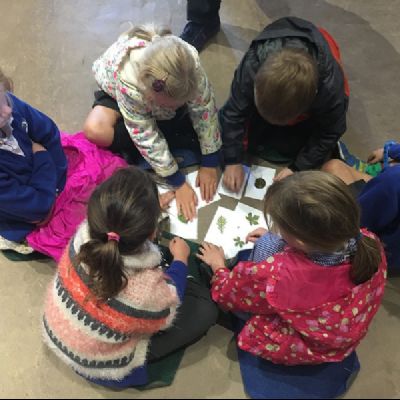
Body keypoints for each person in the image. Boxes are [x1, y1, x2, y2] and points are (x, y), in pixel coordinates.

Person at [42, 167, 218, 388]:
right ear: (152, 232)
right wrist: (181, 260)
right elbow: (167, 308)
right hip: (100, 364)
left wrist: (143, 215)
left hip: (61, 332)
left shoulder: (83, 236)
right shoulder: (144, 292)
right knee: (205, 309)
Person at [197, 172, 386, 374]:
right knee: (269, 242)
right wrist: (283, 239)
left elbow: (230, 294)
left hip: (307, 344)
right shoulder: (368, 241)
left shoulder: (277, 274)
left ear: (301, 241)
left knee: (265, 246)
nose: (276, 229)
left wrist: (218, 265)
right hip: (339, 334)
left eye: (279, 226)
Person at [84, 24, 221, 221]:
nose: (172, 109)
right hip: (118, 92)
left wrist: (210, 160)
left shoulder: (190, 69)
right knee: (97, 130)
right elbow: (144, 133)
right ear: (150, 96)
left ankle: (167, 120)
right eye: (167, 106)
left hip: (157, 95)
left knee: (188, 122)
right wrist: (177, 181)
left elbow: (204, 108)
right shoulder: (130, 83)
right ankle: (149, 130)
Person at [219, 17, 350, 192]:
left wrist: (297, 168)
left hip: (324, 57)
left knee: (294, 149)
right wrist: (232, 160)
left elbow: (330, 131)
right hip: (280, 45)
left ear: (303, 112)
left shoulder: (330, 90)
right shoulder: (252, 66)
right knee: (235, 133)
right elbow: (234, 112)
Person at [0, 68, 67, 252]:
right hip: (17, 211)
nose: (7, 111)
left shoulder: (11, 107)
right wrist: (43, 156)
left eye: (4, 97)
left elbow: (49, 131)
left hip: (39, 186)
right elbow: (38, 210)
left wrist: (56, 187)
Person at [322, 142, 400, 270]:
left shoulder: (394, 180)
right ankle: (375, 171)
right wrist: (390, 150)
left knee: (333, 167)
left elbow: (357, 221)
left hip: (379, 252)